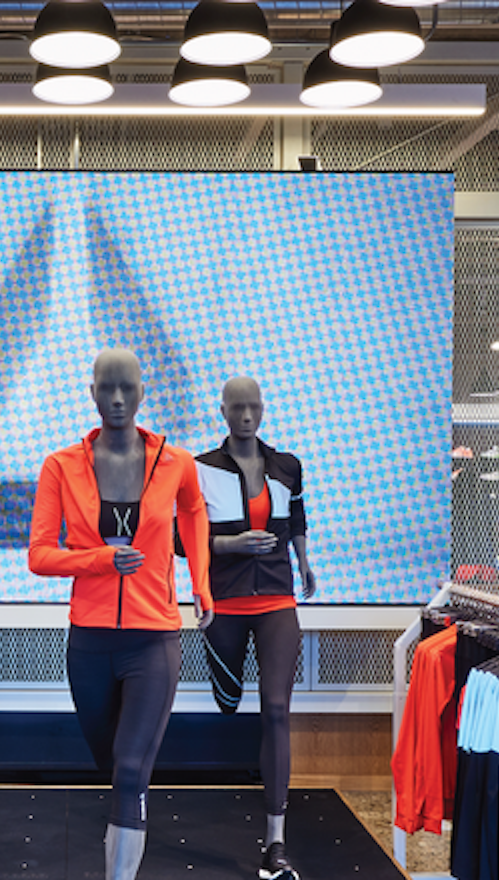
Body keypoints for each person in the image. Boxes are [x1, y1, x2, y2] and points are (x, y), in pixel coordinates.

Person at [28, 348, 214, 880]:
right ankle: (130, 814)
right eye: (106, 388)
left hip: (153, 640)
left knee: (131, 769)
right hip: (88, 644)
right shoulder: (60, 465)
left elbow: (194, 517)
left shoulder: (174, 462)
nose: (116, 399)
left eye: (126, 388)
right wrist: (100, 560)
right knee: (113, 768)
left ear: (141, 390)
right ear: (91, 392)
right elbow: (39, 554)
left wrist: (201, 585)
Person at [193, 376, 315, 880]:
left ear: (262, 409)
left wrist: (305, 562)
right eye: (236, 407)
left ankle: (275, 842)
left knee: (277, 709)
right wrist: (231, 546)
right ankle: (226, 681)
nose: (245, 415)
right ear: (223, 410)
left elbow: (298, 515)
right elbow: (186, 539)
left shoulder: (287, 465)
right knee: (228, 700)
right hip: (224, 599)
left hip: (277, 598)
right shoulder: (199, 469)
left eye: (252, 407)